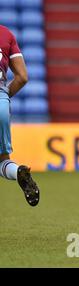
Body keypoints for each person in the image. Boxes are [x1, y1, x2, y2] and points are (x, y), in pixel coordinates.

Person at [0, 25, 40, 206]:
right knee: (2, 160)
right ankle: (18, 172)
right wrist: (4, 97)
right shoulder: (6, 33)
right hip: (1, 100)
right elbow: (22, 77)